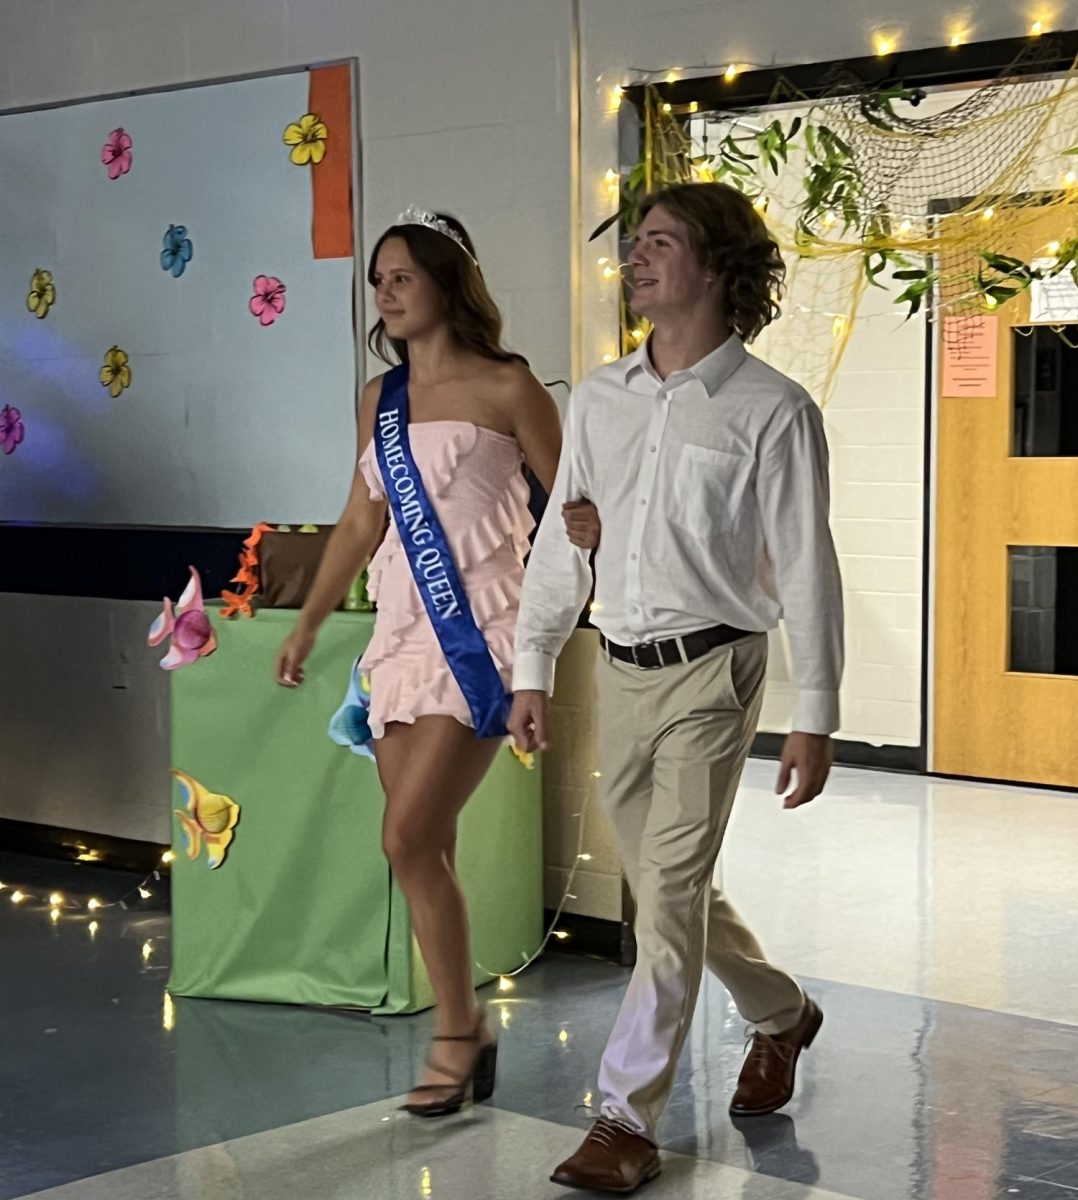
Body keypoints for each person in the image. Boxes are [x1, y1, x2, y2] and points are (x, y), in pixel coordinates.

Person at [508, 181, 844, 1193]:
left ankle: (625, 1119)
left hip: (713, 671)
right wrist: (532, 666)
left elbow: (804, 564)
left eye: (659, 243)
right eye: (636, 244)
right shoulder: (599, 398)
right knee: (670, 888)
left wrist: (815, 716)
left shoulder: (774, 412)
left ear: (716, 268)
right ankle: (783, 1013)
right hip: (622, 670)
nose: (636, 259)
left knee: (662, 899)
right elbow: (562, 543)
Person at [275, 208, 599, 1117]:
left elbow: (576, 504)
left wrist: (578, 579)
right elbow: (359, 519)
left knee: (405, 839)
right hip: (400, 635)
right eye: (378, 278)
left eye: (402, 276)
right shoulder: (377, 399)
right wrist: (308, 624)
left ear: (448, 283)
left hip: (485, 632)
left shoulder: (510, 387)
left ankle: (456, 1031)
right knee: (429, 847)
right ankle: (467, 1031)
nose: (385, 291)